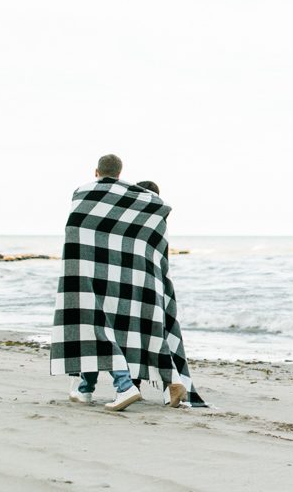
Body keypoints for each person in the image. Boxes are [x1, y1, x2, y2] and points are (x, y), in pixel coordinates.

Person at [51, 154, 205, 411]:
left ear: (96, 171)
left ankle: (124, 386)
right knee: (124, 332)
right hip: (129, 283)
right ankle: (89, 389)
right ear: (120, 174)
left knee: (94, 328)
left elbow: (77, 234)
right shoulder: (135, 203)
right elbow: (158, 214)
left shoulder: (83, 193)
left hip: (88, 275)